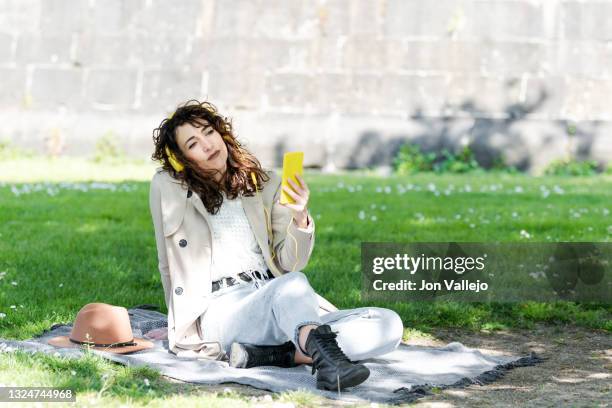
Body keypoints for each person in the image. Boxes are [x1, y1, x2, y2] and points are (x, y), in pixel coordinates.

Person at [148, 100, 404, 390]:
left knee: (388, 324)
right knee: (292, 285)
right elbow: (166, 262)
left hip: (278, 299)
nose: (207, 144)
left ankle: (276, 355)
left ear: (221, 132)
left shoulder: (263, 184)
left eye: (209, 131)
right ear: (183, 158)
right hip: (223, 310)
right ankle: (327, 362)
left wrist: (300, 215)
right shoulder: (168, 187)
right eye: (193, 143)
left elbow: (291, 263)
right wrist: (180, 328)